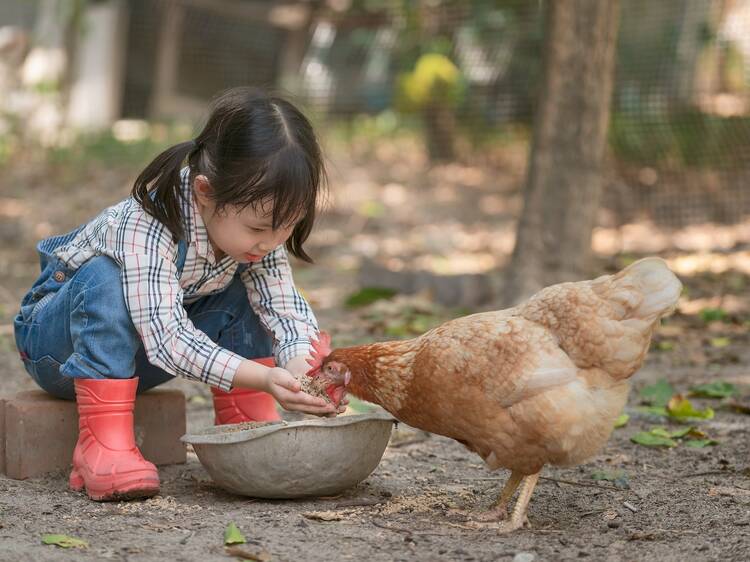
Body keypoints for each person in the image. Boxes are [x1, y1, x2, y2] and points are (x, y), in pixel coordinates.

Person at [13, 87, 341, 501]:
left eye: (287, 226)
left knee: (250, 289)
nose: (271, 242)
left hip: (139, 357)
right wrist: (263, 377)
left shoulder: (254, 239)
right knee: (104, 278)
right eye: (259, 228)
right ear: (205, 191)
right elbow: (167, 338)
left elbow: (282, 308)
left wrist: (300, 373)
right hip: (59, 351)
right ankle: (103, 442)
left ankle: (247, 422)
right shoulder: (143, 224)